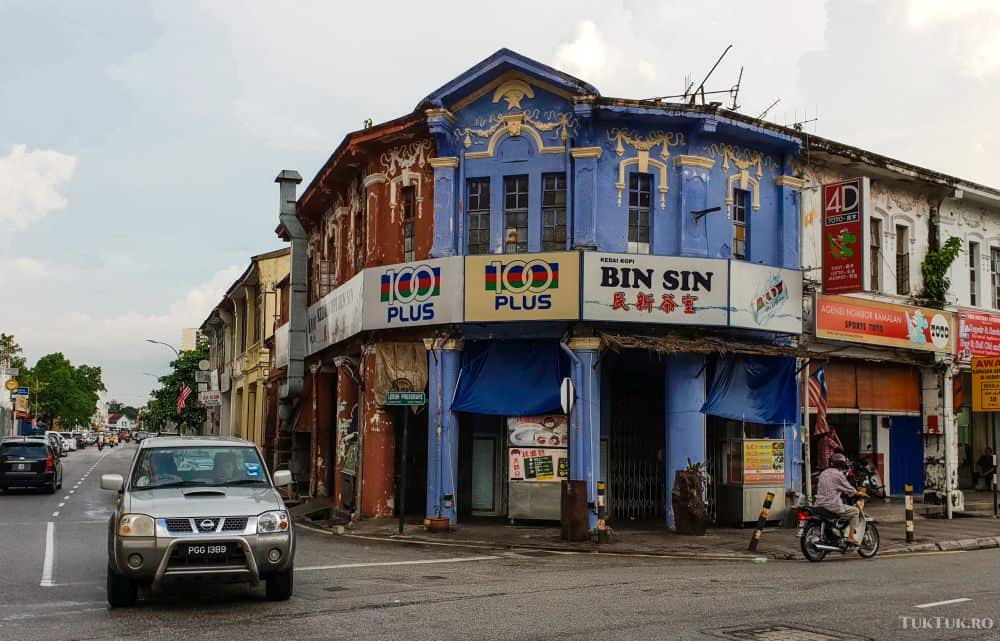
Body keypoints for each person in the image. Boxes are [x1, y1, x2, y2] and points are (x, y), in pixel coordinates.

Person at [815, 453, 866, 546]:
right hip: (832, 505)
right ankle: (851, 537)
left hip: (819, 503)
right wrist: (860, 493)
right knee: (855, 511)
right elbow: (849, 489)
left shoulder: (823, 473)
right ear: (842, 464)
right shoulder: (838, 474)